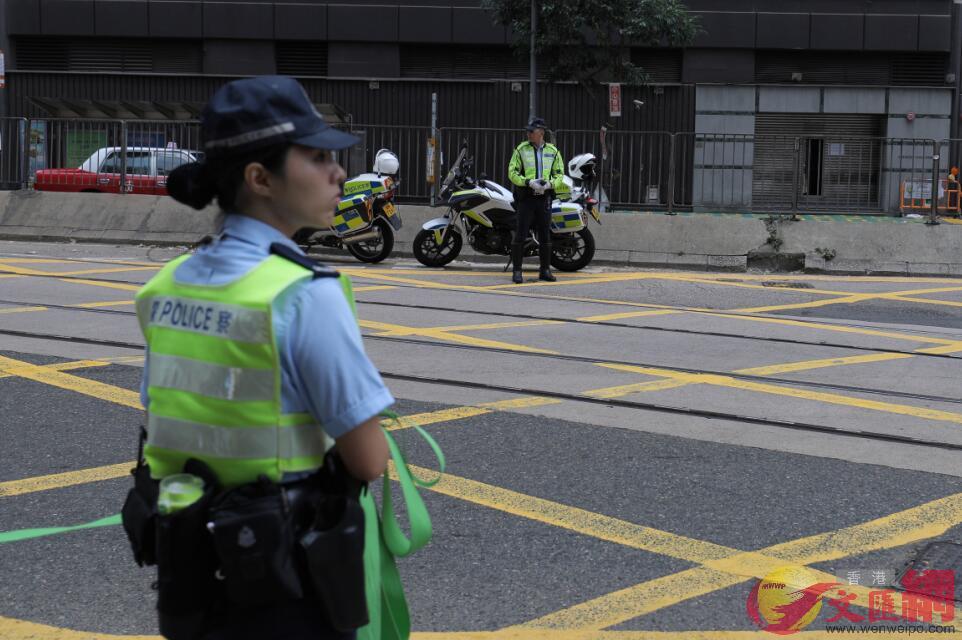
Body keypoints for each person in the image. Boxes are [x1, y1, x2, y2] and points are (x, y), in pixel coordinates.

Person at [126, 76, 392, 640]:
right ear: (260, 178)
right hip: (286, 582)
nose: (338, 172)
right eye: (318, 157)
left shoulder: (165, 286)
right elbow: (369, 461)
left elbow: (167, 416)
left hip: (189, 574)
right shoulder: (303, 293)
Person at [507, 116, 565, 284]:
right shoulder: (521, 149)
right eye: (528, 131)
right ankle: (517, 271)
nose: (528, 133)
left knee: (545, 234)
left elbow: (559, 174)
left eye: (531, 131)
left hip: (544, 197)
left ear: (541, 132)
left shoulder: (553, 151)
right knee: (521, 233)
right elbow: (512, 172)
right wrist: (528, 182)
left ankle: (545, 270)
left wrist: (549, 184)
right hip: (526, 197)